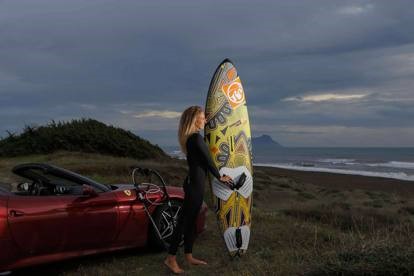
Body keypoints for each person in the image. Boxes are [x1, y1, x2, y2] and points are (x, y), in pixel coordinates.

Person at [164, 106, 233, 274]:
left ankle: (188, 255)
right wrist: (219, 176)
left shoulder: (193, 138)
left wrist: (205, 119)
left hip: (195, 184)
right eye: (202, 118)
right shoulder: (195, 139)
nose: (204, 120)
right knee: (183, 222)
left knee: (191, 222)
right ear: (195, 120)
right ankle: (170, 259)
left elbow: (204, 159)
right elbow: (209, 161)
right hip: (194, 185)